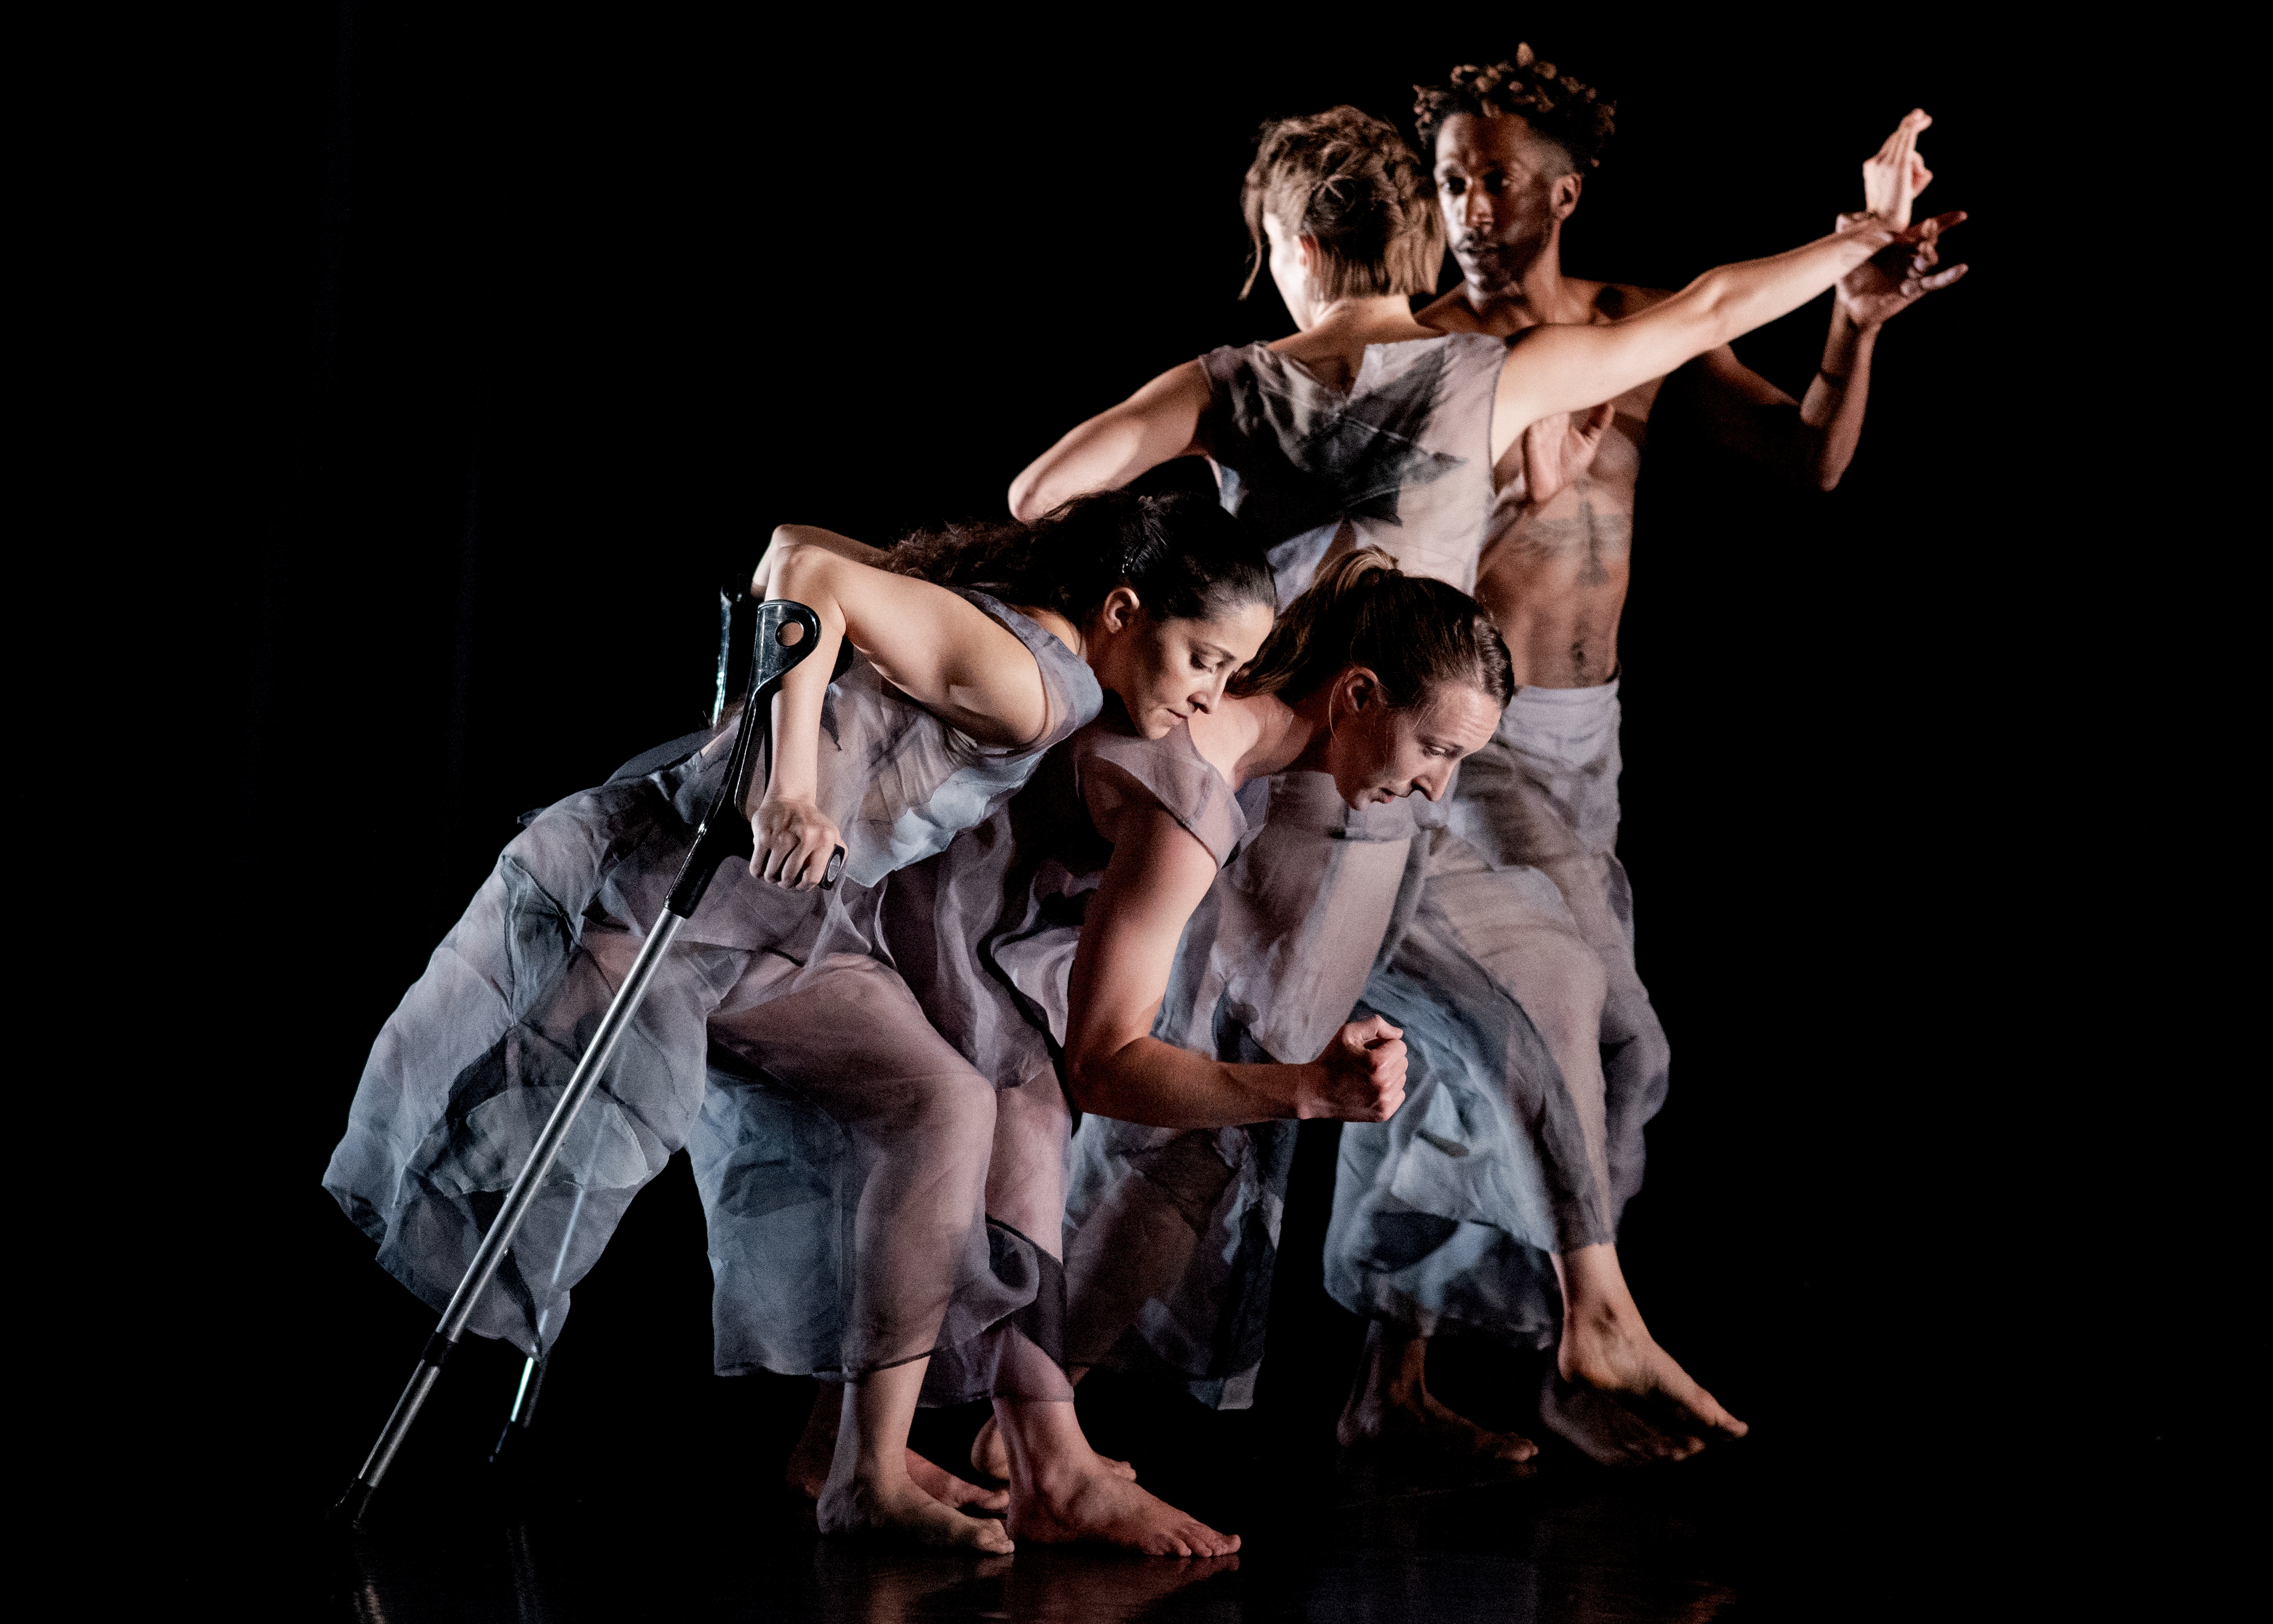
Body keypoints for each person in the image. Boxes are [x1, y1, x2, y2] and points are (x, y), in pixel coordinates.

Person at [1007, 102, 1959, 1464]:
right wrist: (1857, 233)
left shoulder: (1228, 382)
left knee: (1238, 1108)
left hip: (1302, 789)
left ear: (1282, 238)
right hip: (1345, 803)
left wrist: (1190, 606)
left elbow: (1042, 492)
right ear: (1405, 234)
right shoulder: (1482, 376)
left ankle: (1035, 1419)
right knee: (1227, 1113)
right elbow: (1707, 309)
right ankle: (1037, 1428)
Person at [322, 490, 1274, 1554]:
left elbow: (810, 549)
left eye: (1234, 675)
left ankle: (861, 1468)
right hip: (661, 896)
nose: (1212, 694)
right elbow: (797, 568)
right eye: (1206, 660)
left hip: (782, 928)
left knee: (938, 1101)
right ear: (1122, 609)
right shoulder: (1026, 685)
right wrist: (787, 788)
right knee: (503, 1137)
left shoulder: (1031, 653)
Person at [1333, 55, 1968, 1467]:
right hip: (1466, 744)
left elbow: (1804, 459)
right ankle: (1580, 1334)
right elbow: (1380, 572)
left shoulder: (1627, 326)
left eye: (1496, 177)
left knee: (1478, 1041)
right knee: (1599, 1030)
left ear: (1564, 187)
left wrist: (1852, 325)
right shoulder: (1427, 347)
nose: (1470, 207)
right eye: (1447, 182)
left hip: (1586, 738)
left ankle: (1388, 1378)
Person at [951, 549, 1508, 1502]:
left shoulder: (1240, 741)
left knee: (1028, 1120)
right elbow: (1105, 1065)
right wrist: (1305, 1090)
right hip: (861, 927)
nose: (1434, 791)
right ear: (1359, 693)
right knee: (1012, 1123)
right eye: (1435, 750)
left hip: (957, 946)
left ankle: (876, 1457)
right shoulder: (1195, 787)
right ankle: (1031, 1459)